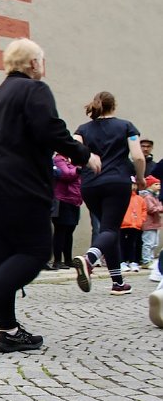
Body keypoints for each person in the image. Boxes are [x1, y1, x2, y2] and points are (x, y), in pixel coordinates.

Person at [0, 38, 99, 353]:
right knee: (36, 252)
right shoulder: (35, 90)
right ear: (34, 64)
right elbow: (50, 128)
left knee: (2, 257)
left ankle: (8, 330)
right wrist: (83, 154)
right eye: (42, 60)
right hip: (14, 184)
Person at [72, 91, 145, 296]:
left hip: (90, 184)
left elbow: (73, 152)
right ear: (114, 106)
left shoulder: (83, 129)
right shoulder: (126, 126)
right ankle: (89, 259)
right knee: (111, 229)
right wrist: (139, 178)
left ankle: (118, 283)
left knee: (107, 230)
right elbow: (138, 156)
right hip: (117, 181)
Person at [49, 152, 82, 270]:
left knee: (69, 231)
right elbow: (65, 175)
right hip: (62, 199)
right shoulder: (58, 159)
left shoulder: (70, 159)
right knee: (60, 230)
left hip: (74, 200)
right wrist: (77, 170)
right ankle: (57, 261)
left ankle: (68, 259)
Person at [119, 178, 146, 272]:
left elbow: (144, 210)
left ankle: (133, 261)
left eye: (134, 184)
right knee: (121, 244)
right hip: (122, 225)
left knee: (132, 244)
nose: (132, 186)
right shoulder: (121, 197)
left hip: (135, 225)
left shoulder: (139, 199)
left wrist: (141, 220)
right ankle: (122, 261)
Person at [139, 175, 162, 268]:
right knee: (148, 243)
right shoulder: (148, 197)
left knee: (154, 243)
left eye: (159, 184)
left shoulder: (156, 196)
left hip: (155, 224)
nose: (159, 186)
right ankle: (146, 260)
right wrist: (160, 208)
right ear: (149, 186)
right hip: (149, 224)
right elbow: (151, 209)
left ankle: (151, 259)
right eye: (156, 184)